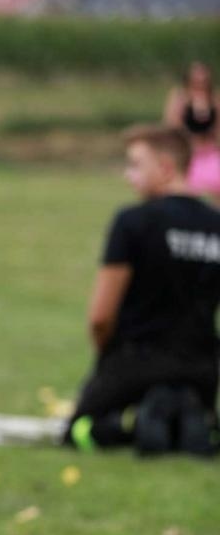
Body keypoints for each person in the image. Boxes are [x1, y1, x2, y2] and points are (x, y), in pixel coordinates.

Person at [64, 124, 220, 457]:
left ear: (165, 168)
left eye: (135, 165)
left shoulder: (134, 222)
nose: (127, 175)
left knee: (79, 432)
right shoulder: (215, 224)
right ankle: (185, 415)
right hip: (201, 369)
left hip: (136, 365)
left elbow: (100, 318)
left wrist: (107, 359)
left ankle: (136, 424)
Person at [164, 62, 220, 200]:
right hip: (189, 151)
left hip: (209, 151)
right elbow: (171, 126)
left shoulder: (214, 100)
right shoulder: (179, 98)